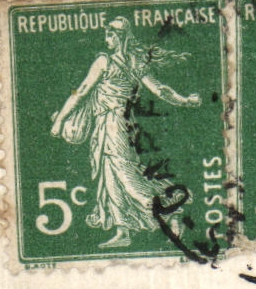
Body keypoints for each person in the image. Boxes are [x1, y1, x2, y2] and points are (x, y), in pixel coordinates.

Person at [48, 17, 202, 249]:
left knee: (126, 176)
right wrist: (186, 101)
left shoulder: (105, 61)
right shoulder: (135, 62)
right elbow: (161, 90)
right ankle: (123, 231)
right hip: (113, 125)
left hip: (113, 125)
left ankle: (170, 211)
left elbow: (80, 91)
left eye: (110, 35)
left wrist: (60, 120)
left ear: (119, 37)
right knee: (110, 177)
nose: (106, 39)